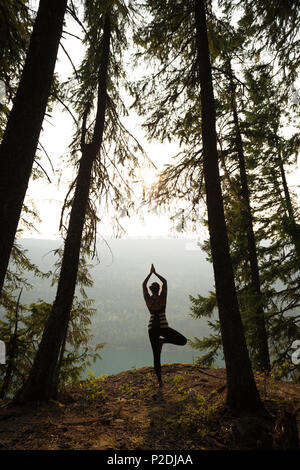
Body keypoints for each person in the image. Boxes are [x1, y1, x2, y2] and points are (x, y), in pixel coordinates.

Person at [142, 264, 187, 388]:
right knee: (183, 341)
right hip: (163, 326)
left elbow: (143, 285)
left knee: (156, 355)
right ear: (158, 289)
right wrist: (155, 273)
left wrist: (149, 274)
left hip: (152, 328)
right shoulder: (162, 298)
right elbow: (165, 282)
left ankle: (160, 381)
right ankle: (163, 341)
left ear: (151, 290)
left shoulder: (148, 300)